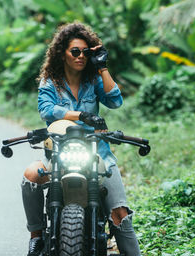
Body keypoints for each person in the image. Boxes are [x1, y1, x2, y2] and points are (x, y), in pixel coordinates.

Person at [21, 22, 141, 256]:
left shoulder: (93, 80)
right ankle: (36, 236)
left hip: (97, 152)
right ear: (62, 54)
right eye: (74, 51)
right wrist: (81, 115)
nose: (80, 56)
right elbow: (46, 109)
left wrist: (102, 68)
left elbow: (115, 101)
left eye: (85, 52)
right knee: (31, 176)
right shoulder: (50, 82)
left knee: (120, 214)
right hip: (58, 151)